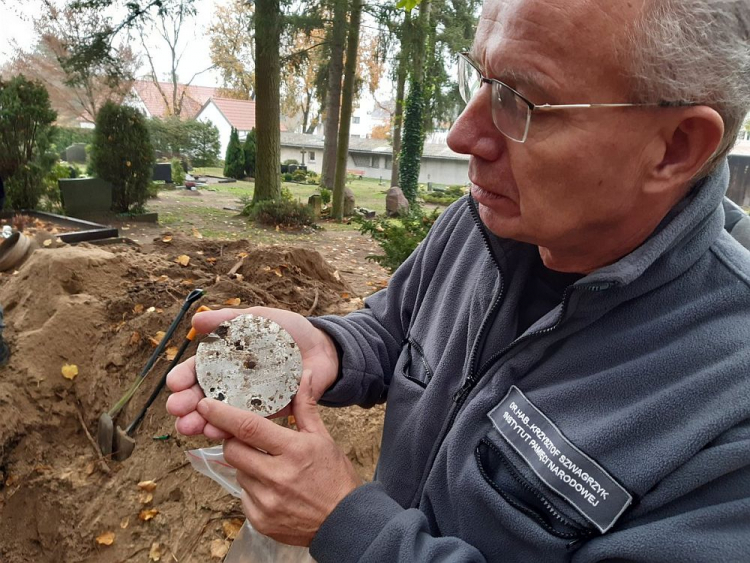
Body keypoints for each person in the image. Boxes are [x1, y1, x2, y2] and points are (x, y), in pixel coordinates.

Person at [167, 0, 750, 560]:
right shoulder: (482, 224)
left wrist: (351, 529)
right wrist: (332, 347)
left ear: (675, 148)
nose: (462, 135)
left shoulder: (729, 402)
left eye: (520, 100)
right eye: (482, 79)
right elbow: (395, 329)